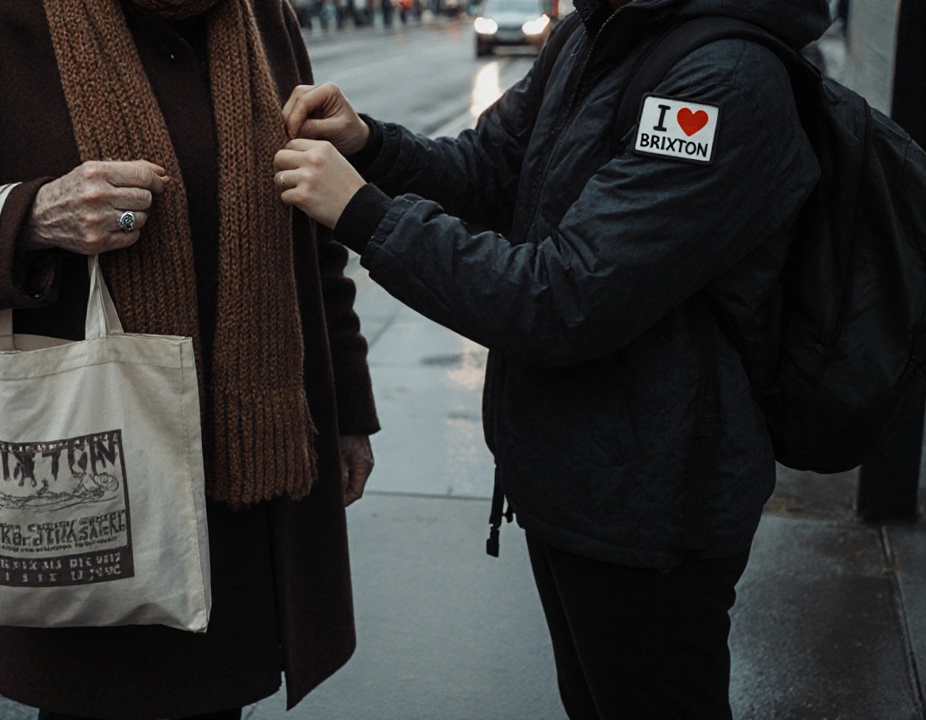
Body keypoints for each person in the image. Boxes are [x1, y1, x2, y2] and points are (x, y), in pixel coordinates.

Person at [274, 0, 828, 717]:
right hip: (576, 475)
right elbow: (489, 172)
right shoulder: (593, 32)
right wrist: (370, 145)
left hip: (654, 505)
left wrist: (365, 215)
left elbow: (563, 298)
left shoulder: (723, 79)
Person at [0, 0, 381, 715]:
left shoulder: (260, 12)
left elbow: (312, 230)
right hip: (90, 489)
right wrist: (35, 217)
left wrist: (347, 408)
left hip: (246, 503)